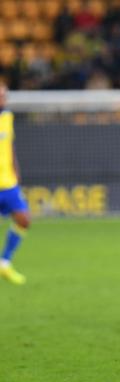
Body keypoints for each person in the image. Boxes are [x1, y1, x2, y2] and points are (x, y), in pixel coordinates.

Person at [0, 84, 30, 285]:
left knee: (24, 219)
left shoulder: (7, 117)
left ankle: (5, 262)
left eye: (4, 95)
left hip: (8, 183)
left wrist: (16, 170)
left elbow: (9, 144)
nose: (3, 99)